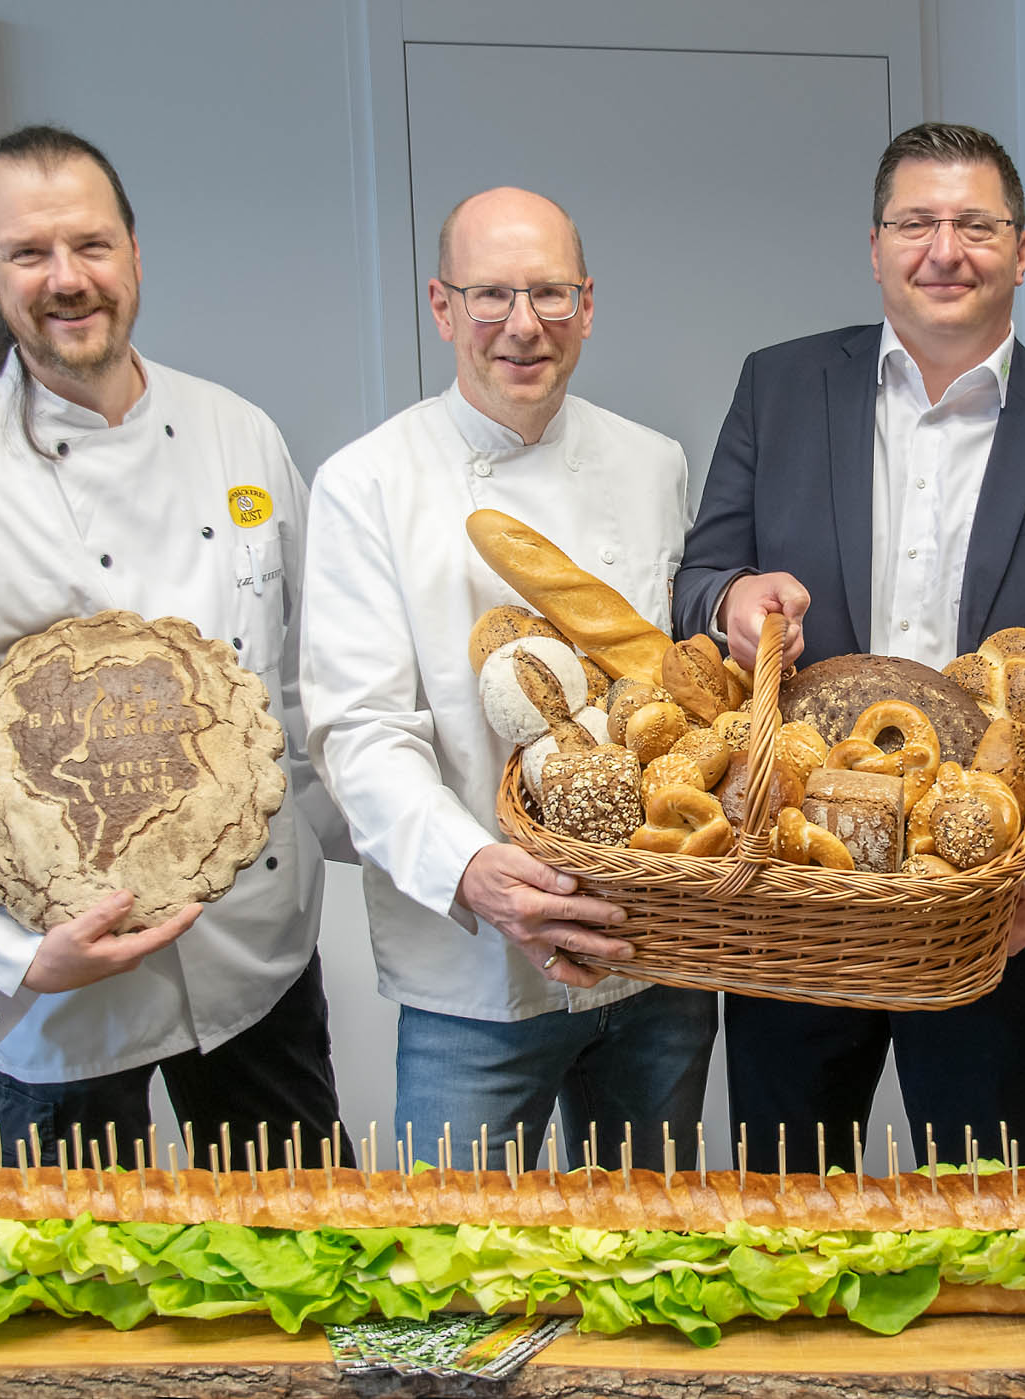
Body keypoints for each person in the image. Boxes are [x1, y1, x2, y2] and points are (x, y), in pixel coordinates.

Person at [0, 125, 353, 1169]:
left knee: (314, 1264)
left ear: (135, 256)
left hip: (254, 953)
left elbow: (314, 687)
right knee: (76, 1303)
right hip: (66, 1005)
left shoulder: (238, 435)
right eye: (30, 254)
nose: (66, 279)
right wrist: (20, 956)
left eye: (91, 245)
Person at [672, 123, 1025, 1172]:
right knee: (786, 1232)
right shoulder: (778, 389)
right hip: (793, 913)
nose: (944, 248)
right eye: (917, 221)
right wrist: (730, 597)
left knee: (987, 1238)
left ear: (1023, 250)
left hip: (1000, 930)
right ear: (875, 246)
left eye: (975, 224)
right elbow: (696, 582)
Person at [300, 187, 715, 1170]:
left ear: (588, 304)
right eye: (491, 295)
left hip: (652, 955)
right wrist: (472, 868)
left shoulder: (655, 465)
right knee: (458, 1278)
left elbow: (677, 695)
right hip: (471, 982)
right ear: (441, 307)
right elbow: (360, 730)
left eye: (551, 293)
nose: (523, 326)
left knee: (648, 1271)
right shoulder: (366, 484)